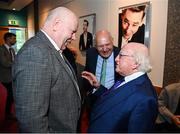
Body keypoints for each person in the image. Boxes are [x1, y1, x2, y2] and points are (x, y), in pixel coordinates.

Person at [12, 7, 81, 132]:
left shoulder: (52, 49)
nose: (74, 37)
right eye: (72, 31)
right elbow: (32, 123)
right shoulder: (35, 53)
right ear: (56, 25)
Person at [82, 42, 158, 133]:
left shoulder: (145, 99)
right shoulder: (127, 78)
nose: (116, 59)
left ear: (136, 63)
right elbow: (114, 99)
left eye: (121, 55)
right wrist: (98, 86)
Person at [80, 30, 120, 132]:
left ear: (112, 41)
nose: (105, 49)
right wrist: (88, 90)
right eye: (100, 46)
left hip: (114, 100)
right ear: (95, 46)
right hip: (94, 100)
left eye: (107, 44)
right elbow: (87, 71)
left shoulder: (121, 54)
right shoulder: (91, 53)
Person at [0, 32, 16, 119]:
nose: (15, 40)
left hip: (12, 76)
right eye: (13, 38)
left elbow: (14, 60)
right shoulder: (1, 49)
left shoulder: (12, 49)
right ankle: (8, 114)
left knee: (12, 94)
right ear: (8, 39)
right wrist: (16, 63)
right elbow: (4, 63)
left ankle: (10, 112)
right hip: (5, 77)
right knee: (11, 94)